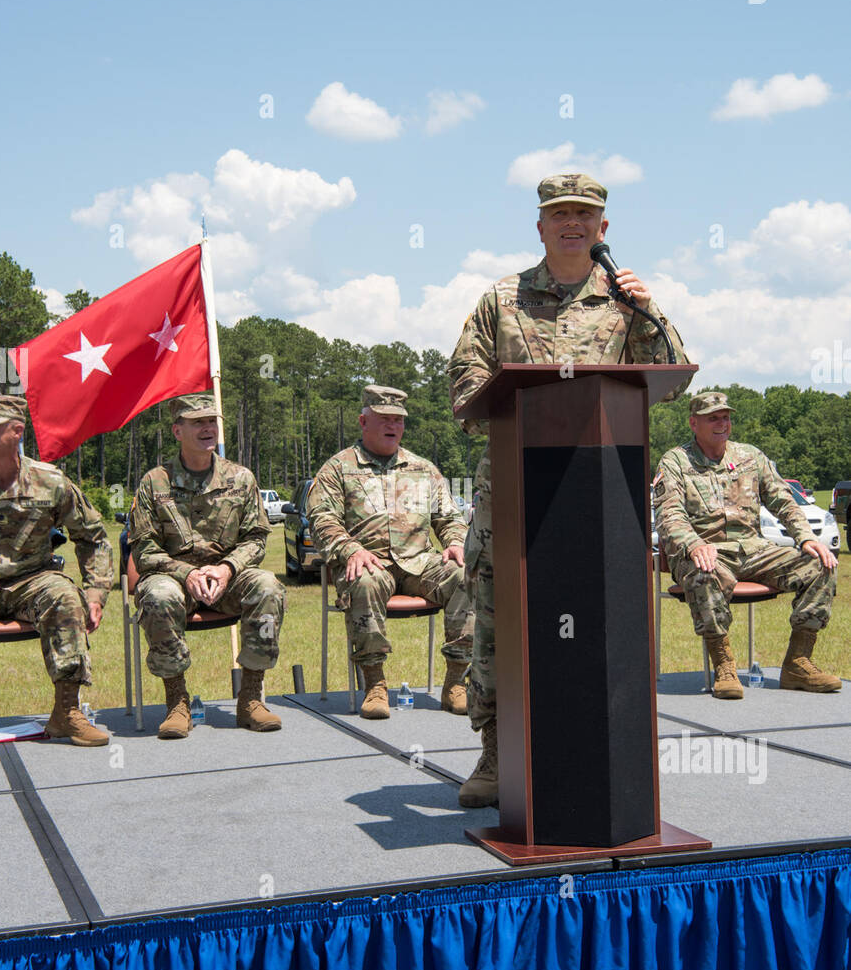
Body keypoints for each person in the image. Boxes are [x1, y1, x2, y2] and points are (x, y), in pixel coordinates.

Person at [448, 171, 692, 807]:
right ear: (540, 227)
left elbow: (673, 374)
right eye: (560, 214)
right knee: (497, 621)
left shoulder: (625, 300)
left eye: (584, 214)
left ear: (603, 228)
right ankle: (496, 752)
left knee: (596, 621)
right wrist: (515, 400)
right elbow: (464, 384)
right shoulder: (499, 299)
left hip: (599, 494)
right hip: (514, 488)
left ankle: (594, 752)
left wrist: (648, 308)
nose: (572, 223)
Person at [654, 391, 840, 698]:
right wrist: (694, 544)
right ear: (693, 423)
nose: (722, 423)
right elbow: (669, 514)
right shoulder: (675, 461)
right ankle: (723, 665)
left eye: (726, 417)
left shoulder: (750, 456)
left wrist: (806, 537)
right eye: (713, 418)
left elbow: (783, 500)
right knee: (704, 571)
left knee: (821, 564)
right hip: (707, 553)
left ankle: (798, 663)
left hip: (754, 551)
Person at [307, 385, 473, 719]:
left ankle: (456, 681)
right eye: (384, 418)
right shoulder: (338, 468)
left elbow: (450, 516)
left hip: (419, 563)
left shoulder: (422, 469)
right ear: (363, 422)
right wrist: (350, 549)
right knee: (365, 580)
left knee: (466, 574)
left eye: (398, 420)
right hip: (368, 563)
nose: (392, 425)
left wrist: (456, 541)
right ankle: (375, 684)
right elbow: (321, 519)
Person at [127, 394, 285, 738]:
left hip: (228, 579)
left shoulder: (240, 478)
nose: (207, 428)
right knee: (157, 596)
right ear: (177, 431)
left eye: (212, 421)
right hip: (174, 579)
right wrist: (187, 573)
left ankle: (250, 698)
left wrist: (227, 568)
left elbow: (257, 538)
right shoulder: (155, 482)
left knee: (268, 587)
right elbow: (143, 548)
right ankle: (176, 701)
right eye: (197, 422)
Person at [0, 395, 113, 745]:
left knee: (64, 595)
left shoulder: (50, 481)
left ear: (16, 432)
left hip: (33, 582)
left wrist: (96, 592)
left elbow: (94, 538)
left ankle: (67, 711)